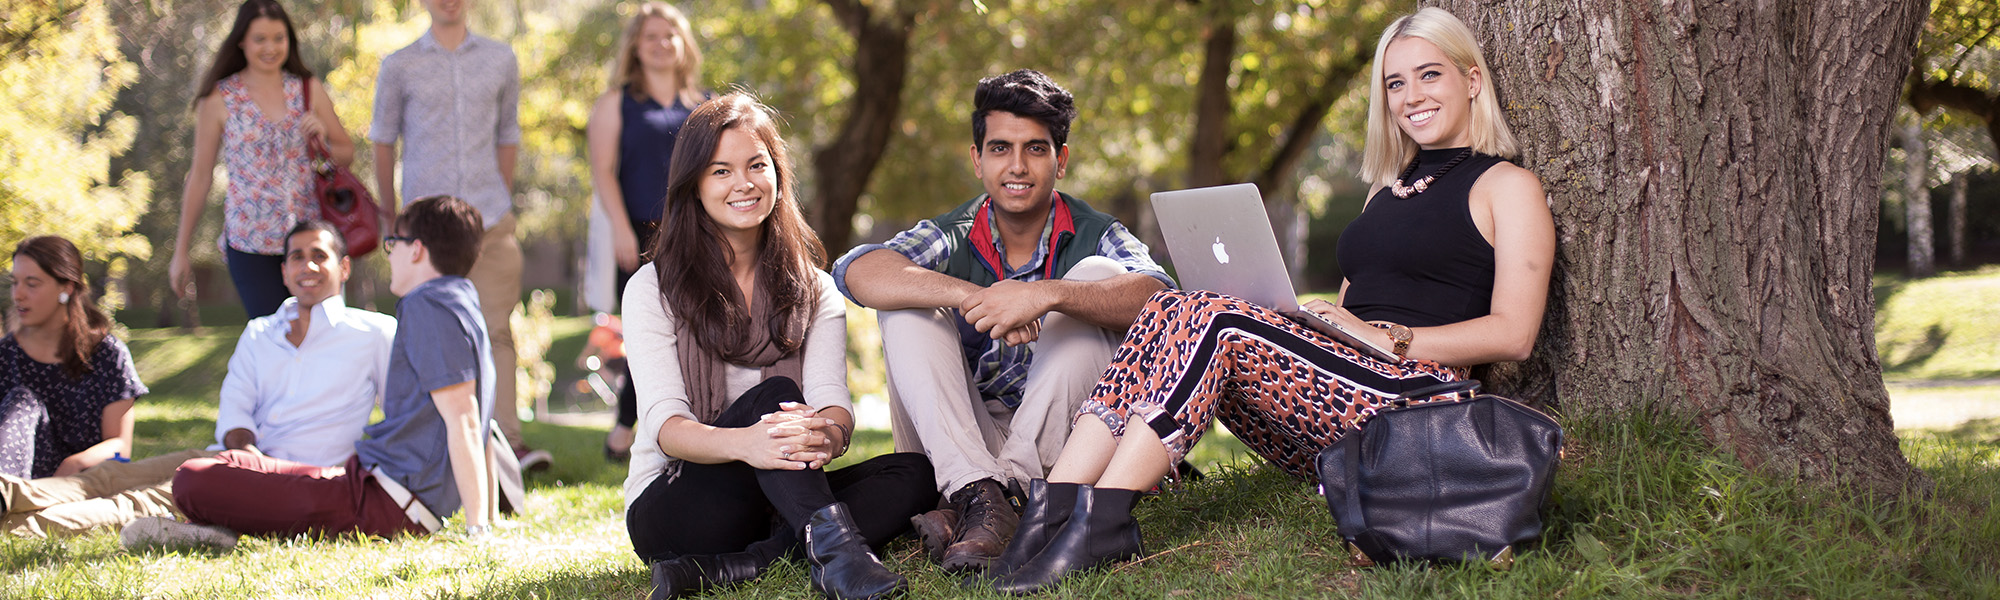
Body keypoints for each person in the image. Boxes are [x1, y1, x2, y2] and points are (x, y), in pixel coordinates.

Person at [982, 8, 1557, 594]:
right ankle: (1054, 510)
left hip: (1413, 404)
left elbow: (1515, 332)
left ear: (1472, 80)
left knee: (1206, 316)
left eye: (1430, 75)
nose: (1412, 95)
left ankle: (1102, 516)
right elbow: (1350, 315)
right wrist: (1301, 320)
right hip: (1335, 397)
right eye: (1395, 82)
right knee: (1167, 307)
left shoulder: (1506, 186)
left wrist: (1394, 339)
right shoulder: (1382, 196)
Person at [831, 69, 1172, 574]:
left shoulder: (1096, 230)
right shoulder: (952, 232)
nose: (1017, 166)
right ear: (977, 159)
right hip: (963, 443)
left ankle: (987, 508)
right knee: (904, 300)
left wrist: (1045, 296)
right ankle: (984, 496)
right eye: (1000, 149)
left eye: (1036, 149)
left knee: (1098, 277)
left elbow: (1158, 296)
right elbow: (857, 270)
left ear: (1062, 160)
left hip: (1066, 446)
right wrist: (977, 297)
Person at [622, 94, 937, 600]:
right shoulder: (651, 287)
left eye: (756, 165)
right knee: (776, 398)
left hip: (777, 500)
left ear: (777, 175)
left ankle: (740, 566)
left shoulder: (815, 288)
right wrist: (749, 444)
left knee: (914, 472)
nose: (743, 183)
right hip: (675, 502)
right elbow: (666, 428)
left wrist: (829, 436)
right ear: (694, 185)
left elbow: (832, 401)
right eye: (720, 171)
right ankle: (842, 562)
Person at [128, 196, 498, 547]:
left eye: (393, 245)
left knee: (193, 480)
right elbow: (482, 423)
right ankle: (213, 531)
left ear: (415, 249)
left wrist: (478, 528)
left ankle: (210, 530)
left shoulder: (426, 304)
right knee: (227, 462)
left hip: (388, 500)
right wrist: (490, 516)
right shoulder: (461, 301)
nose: (392, 255)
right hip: (371, 482)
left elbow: (464, 417)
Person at [7, 221, 394, 539]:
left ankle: (23, 528)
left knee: (141, 501)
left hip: (293, 478)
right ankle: (9, 495)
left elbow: (401, 414)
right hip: (229, 458)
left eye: (319, 256)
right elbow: (236, 406)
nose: (307, 266)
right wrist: (244, 447)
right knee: (111, 476)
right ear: (284, 271)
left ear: (343, 268)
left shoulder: (374, 332)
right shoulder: (261, 332)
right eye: (297, 256)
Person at [371, 0, 546, 470]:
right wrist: (392, 220)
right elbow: (382, 140)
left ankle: (508, 445)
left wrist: (499, 200)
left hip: (489, 222)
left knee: (496, 331)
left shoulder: (500, 59)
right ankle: (432, 444)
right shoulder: (399, 64)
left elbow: (507, 135)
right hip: (424, 231)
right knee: (427, 332)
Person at [168, 0, 356, 320]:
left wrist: (322, 139)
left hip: (309, 238)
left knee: (323, 336)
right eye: (260, 39)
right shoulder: (218, 99)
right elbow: (200, 176)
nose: (270, 47)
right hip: (249, 242)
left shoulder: (307, 89)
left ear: (289, 40)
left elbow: (346, 155)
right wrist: (180, 251)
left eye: (278, 38)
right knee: (274, 339)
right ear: (242, 41)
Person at [586, 1, 709, 461]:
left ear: (683, 44)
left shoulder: (704, 105)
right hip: (638, 235)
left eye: (669, 35)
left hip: (697, 234)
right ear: (636, 47)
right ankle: (625, 425)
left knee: (695, 332)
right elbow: (603, 172)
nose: (661, 44)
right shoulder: (615, 103)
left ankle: (689, 428)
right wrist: (620, 229)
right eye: (650, 36)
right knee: (646, 334)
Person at [1, 237, 144, 480]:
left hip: (82, 484)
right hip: (17, 482)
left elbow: (120, 445)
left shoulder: (108, 354)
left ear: (66, 288)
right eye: (15, 283)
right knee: (21, 400)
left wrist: (73, 464)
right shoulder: (5, 355)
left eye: (32, 284)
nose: (18, 295)